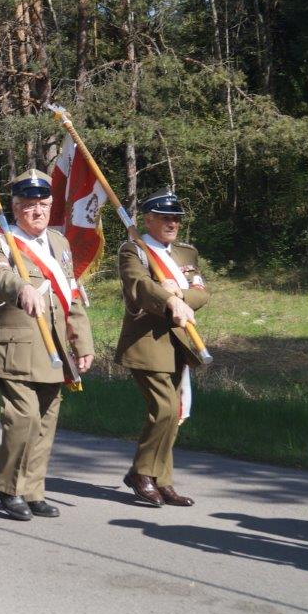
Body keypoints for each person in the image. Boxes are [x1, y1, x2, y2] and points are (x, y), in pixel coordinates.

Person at [0, 170, 95, 521]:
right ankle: (8, 487)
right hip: (15, 346)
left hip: (55, 347)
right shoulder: (0, 241)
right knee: (24, 418)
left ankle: (33, 490)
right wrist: (22, 288)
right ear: (15, 208)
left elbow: (71, 295)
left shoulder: (59, 244)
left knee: (46, 420)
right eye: (29, 205)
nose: (38, 211)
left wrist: (82, 342)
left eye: (43, 204)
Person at [118, 190, 210, 507]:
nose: (173, 223)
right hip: (147, 343)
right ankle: (141, 473)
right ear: (149, 219)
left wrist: (180, 296)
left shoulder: (186, 254)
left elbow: (201, 293)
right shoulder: (134, 251)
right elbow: (140, 287)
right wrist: (167, 297)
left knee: (174, 414)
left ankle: (163, 479)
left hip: (180, 342)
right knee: (165, 409)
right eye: (165, 217)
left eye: (176, 218)